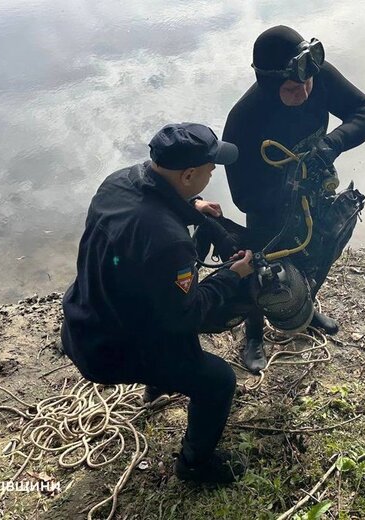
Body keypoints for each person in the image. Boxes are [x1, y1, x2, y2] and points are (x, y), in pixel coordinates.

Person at [60, 123, 253, 484]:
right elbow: (190, 313)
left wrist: (193, 207)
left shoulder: (118, 181)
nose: (214, 172)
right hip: (111, 350)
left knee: (174, 332)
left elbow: (148, 208)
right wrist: (234, 274)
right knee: (219, 381)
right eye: (211, 167)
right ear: (189, 174)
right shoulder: (168, 242)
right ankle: (194, 467)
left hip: (84, 318)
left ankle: (161, 381)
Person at [224, 25, 365, 372]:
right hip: (267, 204)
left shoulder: (316, 75)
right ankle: (253, 336)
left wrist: (332, 144)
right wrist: (287, 188)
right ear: (270, 84)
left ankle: (305, 312)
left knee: (319, 253)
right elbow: (242, 198)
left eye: (308, 84)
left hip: (315, 189)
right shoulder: (244, 120)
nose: (305, 92)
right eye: (294, 88)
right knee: (261, 266)